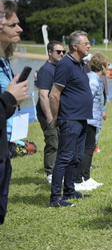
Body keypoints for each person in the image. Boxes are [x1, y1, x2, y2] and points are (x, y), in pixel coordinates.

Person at [0, 0, 29, 250]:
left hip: (4, 144)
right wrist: (9, 98)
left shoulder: (4, 62)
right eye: (13, 24)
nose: (20, 28)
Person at [48, 30, 93, 207]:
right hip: (70, 119)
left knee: (76, 156)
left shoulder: (80, 64)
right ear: (75, 46)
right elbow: (54, 94)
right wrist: (56, 116)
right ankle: (55, 198)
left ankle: (69, 191)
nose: (89, 46)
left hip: (81, 118)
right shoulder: (65, 64)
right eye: (86, 43)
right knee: (64, 157)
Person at [74, 52, 108, 191]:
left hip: (92, 119)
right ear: (103, 67)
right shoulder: (93, 80)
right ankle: (79, 179)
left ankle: (86, 177)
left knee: (89, 149)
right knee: (86, 150)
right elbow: (87, 99)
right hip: (89, 119)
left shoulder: (94, 78)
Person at [35, 41, 65, 184]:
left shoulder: (58, 67)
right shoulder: (46, 70)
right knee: (52, 142)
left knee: (61, 141)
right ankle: (50, 173)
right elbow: (43, 95)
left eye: (63, 52)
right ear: (49, 52)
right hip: (48, 114)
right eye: (58, 52)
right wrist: (49, 117)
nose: (61, 54)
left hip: (59, 113)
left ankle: (59, 170)